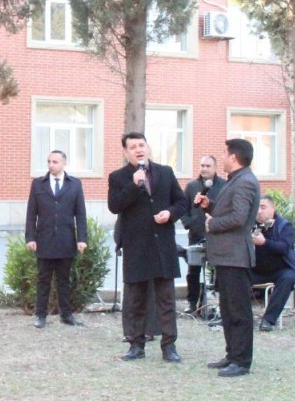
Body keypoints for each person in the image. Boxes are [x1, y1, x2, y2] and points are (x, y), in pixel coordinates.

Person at [108, 132, 188, 363]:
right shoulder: (118, 177)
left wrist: (170, 214)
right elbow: (114, 206)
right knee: (136, 300)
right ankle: (136, 345)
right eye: (133, 147)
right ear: (126, 152)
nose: (138, 150)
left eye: (141, 145)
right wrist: (133, 185)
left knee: (166, 300)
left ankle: (169, 346)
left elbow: (181, 202)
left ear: (148, 147)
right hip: (136, 247)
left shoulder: (165, 172)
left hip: (163, 245)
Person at [201, 138, 260, 378]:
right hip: (226, 256)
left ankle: (242, 361)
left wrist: (212, 223)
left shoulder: (245, 181)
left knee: (238, 311)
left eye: (225, 154)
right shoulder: (236, 179)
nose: (222, 158)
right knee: (227, 310)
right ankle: (232, 354)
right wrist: (210, 205)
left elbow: (239, 218)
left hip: (236, 256)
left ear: (234, 157)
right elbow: (230, 210)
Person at [24, 150, 89, 328]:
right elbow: (31, 214)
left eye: (55, 162)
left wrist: (82, 238)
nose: (51, 165)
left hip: (65, 240)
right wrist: (30, 237)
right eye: (49, 162)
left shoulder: (75, 184)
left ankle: (66, 315)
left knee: (64, 280)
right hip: (44, 240)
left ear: (64, 164)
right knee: (43, 280)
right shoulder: (38, 184)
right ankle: (40, 316)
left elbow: (80, 214)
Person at [179, 155, 225, 314]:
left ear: (215, 167)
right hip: (196, 234)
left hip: (217, 235)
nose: (204, 168)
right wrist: (189, 223)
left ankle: (218, 303)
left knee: (219, 270)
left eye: (208, 166)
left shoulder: (224, 186)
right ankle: (192, 302)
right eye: (202, 165)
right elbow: (183, 208)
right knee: (193, 271)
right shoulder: (191, 186)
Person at [250, 195, 295, 332]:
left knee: (289, 278)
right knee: (235, 275)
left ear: (273, 208)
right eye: (257, 208)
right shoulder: (251, 225)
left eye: (263, 207)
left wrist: (264, 243)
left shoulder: (284, 226)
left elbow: (283, 248)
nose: (259, 211)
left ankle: (268, 320)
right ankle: (239, 318)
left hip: (280, 270)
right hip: (257, 270)